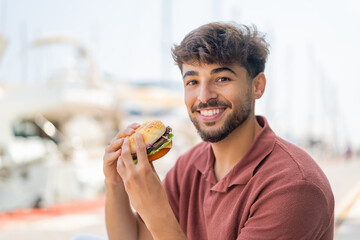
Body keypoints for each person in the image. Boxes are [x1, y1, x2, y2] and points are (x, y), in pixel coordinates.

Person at [103, 22, 334, 240]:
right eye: (192, 82)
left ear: (257, 86)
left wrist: (157, 213)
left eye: (222, 78)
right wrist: (115, 182)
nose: (204, 96)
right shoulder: (190, 165)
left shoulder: (293, 186)